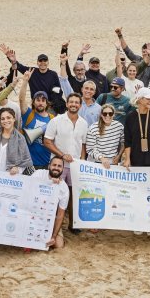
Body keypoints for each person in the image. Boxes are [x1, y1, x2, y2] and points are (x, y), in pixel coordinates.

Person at [44, 93, 88, 232]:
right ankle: (51, 224)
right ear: (67, 104)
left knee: (74, 195)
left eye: (76, 102)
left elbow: (83, 145)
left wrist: (81, 161)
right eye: (71, 102)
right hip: (59, 165)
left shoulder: (84, 123)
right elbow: (47, 141)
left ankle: (73, 224)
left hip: (75, 166)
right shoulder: (56, 121)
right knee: (54, 194)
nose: (74, 104)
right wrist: (62, 155)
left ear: (80, 105)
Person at [19, 69, 54, 170]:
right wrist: (25, 81)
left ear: (47, 104)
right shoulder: (28, 114)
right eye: (38, 100)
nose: (40, 103)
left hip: (47, 162)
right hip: (29, 162)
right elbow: (21, 99)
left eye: (43, 100)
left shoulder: (52, 119)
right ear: (33, 102)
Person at [123, 88, 150, 168]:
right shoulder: (130, 117)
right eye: (148, 98)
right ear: (140, 99)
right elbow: (127, 140)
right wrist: (127, 159)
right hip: (135, 160)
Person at [34, 156, 70, 249]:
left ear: (62, 169)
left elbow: (60, 214)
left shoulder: (64, 188)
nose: (56, 168)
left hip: (49, 219)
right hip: (32, 215)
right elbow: (28, 187)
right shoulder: (39, 173)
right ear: (49, 166)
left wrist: (53, 236)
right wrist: (49, 182)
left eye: (59, 166)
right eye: (54, 165)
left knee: (59, 245)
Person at [86, 104, 124, 168]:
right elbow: (90, 149)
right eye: (105, 114)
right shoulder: (93, 127)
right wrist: (101, 158)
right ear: (101, 115)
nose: (107, 116)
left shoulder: (119, 126)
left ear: (114, 114)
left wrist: (119, 156)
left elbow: (124, 142)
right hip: (95, 163)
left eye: (110, 113)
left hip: (112, 163)